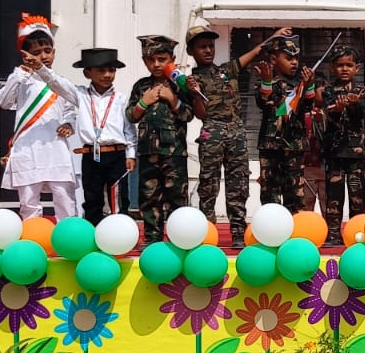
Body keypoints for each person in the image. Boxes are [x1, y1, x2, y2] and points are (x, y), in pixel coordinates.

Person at [188, 24, 283, 247]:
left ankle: (238, 232)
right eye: (202, 47)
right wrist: (195, 94)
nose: (208, 50)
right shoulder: (192, 80)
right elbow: (201, 114)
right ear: (191, 51)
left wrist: (274, 36)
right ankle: (207, 232)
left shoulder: (226, 70)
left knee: (239, 183)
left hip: (236, 132)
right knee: (208, 184)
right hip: (212, 132)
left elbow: (255, 52)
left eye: (210, 46)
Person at [30, 46, 136, 225]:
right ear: (88, 73)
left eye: (111, 70)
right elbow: (56, 83)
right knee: (92, 198)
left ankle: (120, 235)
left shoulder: (121, 98)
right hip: (90, 154)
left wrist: (131, 154)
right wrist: (40, 67)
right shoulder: (80, 94)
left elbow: (129, 128)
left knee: (118, 198)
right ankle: (94, 235)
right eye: (101, 70)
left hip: (117, 154)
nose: (107, 75)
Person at [0, 14, 77, 220]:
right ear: (25, 55)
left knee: (64, 199)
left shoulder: (58, 81)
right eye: (36, 52)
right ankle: (33, 242)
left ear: (54, 52)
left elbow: (70, 107)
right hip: (27, 148)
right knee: (28, 202)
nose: (43, 56)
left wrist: (69, 123)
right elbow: (4, 102)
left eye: (47, 51)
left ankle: (68, 240)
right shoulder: (21, 79)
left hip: (55, 147)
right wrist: (19, 75)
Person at [128, 34, 195, 243]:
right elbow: (131, 115)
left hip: (174, 153)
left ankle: (179, 240)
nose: (156, 64)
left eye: (162, 59)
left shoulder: (180, 85)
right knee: (149, 198)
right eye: (150, 60)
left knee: (176, 198)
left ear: (172, 59)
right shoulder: (141, 86)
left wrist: (173, 99)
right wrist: (144, 102)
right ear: (144, 61)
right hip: (148, 151)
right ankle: (151, 240)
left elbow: (189, 114)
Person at [252, 35, 316, 214]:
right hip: (270, 145)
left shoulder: (300, 84)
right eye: (288, 58)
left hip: (294, 144)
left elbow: (307, 107)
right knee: (269, 192)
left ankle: (295, 233)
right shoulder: (265, 83)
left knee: (295, 193)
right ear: (273, 59)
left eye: (296, 58)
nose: (294, 62)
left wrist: (309, 86)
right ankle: (271, 230)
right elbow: (263, 102)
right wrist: (266, 81)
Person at [319, 47, 365, 244]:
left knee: (358, 195)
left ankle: (358, 232)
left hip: (357, 153)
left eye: (349, 65)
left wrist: (355, 104)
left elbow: (362, 113)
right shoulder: (328, 91)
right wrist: (337, 109)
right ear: (332, 68)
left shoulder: (361, 91)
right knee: (334, 195)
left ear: (357, 68)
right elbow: (327, 115)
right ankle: (333, 234)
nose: (345, 69)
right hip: (335, 152)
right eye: (340, 65)